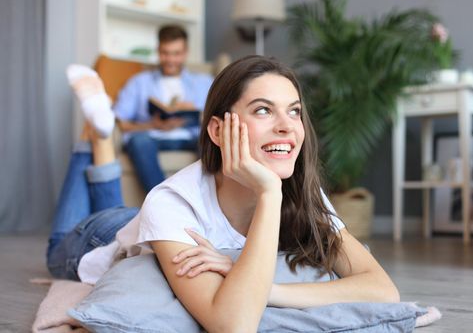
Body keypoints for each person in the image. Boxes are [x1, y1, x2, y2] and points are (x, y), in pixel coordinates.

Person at [48, 56, 399, 333]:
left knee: (124, 207)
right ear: (218, 129)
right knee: (76, 230)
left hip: (150, 224)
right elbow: (233, 324)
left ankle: (99, 134)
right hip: (97, 236)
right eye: (263, 110)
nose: (287, 126)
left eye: (294, 111)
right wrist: (269, 193)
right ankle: (95, 133)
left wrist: (268, 289)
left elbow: (383, 290)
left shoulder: (303, 191)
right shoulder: (172, 201)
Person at [113, 24, 213, 192]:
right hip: (152, 138)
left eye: (176, 54)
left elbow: (221, 116)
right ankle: (162, 201)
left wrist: (197, 111)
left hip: (192, 137)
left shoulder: (204, 82)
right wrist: (153, 125)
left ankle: (208, 199)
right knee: (138, 140)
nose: (171, 60)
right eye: (165, 53)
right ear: (158, 50)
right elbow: (120, 122)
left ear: (185, 52)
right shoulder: (139, 82)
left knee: (211, 140)